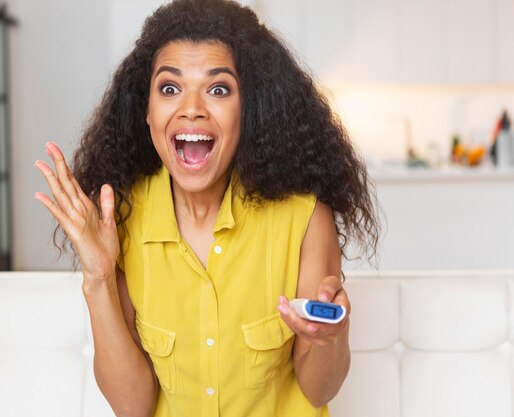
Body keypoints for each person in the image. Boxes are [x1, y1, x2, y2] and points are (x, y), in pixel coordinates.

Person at [34, 0, 380, 416]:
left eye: (218, 89)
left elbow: (319, 389)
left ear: (247, 109)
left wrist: (329, 339)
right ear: (146, 111)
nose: (192, 107)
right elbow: (132, 407)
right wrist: (99, 278)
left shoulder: (304, 218)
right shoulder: (120, 221)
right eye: (169, 88)